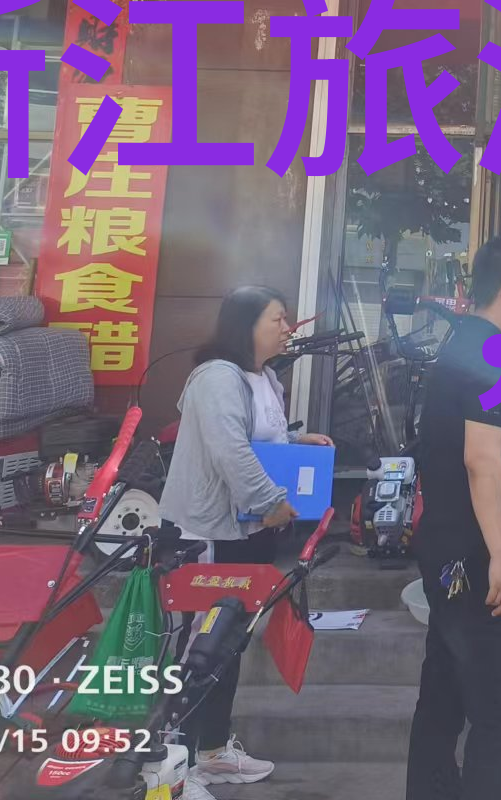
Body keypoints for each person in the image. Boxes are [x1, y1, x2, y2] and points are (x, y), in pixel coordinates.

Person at [159, 286, 333, 790]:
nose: (287, 328)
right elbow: (229, 450)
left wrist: (297, 441)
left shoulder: (265, 377)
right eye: (278, 319)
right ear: (246, 325)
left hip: (251, 529)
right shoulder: (217, 376)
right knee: (201, 643)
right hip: (210, 532)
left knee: (230, 641)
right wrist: (271, 501)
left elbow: (260, 438)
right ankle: (169, 761)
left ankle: (212, 750)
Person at [407, 235, 501, 800]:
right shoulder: (496, 352)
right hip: (476, 561)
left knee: (444, 697)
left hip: (447, 553)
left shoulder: (462, 341)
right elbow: (481, 459)